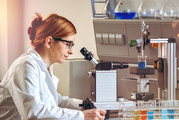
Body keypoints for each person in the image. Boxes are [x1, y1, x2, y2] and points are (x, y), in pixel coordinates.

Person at [0, 13, 106, 120]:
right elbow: (34, 112)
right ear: (49, 42)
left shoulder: (43, 66)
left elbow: (56, 101)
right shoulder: (25, 65)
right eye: (68, 44)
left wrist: (84, 105)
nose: (71, 51)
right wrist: (82, 116)